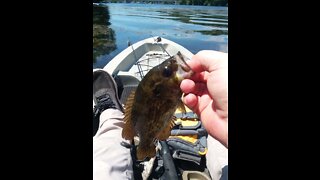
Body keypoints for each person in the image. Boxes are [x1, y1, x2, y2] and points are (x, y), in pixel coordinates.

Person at [93, 50, 228, 180]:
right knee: (219, 148)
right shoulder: (168, 92)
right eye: (168, 72)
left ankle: (111, 115)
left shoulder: (166, 91)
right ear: (158, 90)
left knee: (106, 151)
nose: (176, 65)